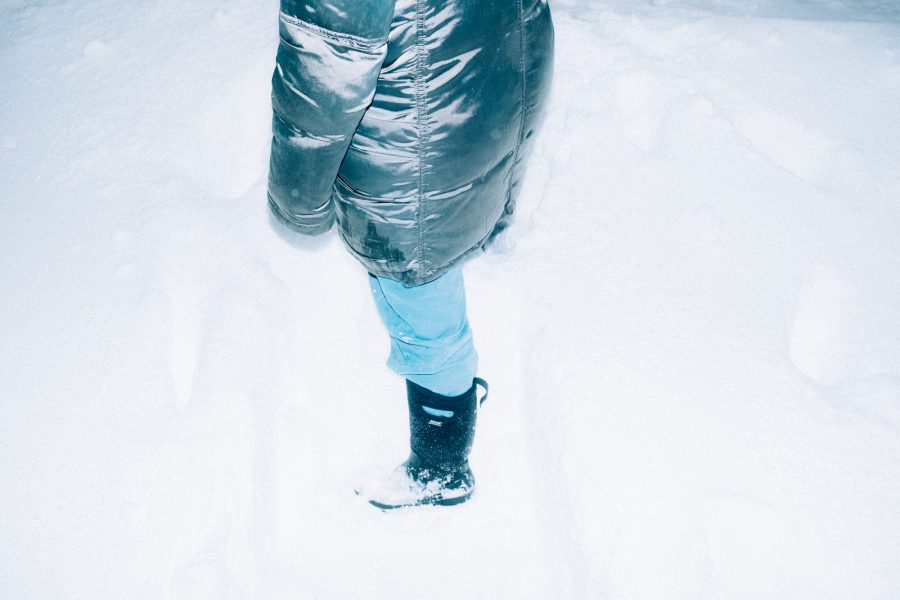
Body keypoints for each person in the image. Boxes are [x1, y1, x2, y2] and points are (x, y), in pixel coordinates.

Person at [267, 0, 554, 509]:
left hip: (410, 140)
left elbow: (328, 67)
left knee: (420, 297)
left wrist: (297, 200)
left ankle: (442, 465)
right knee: (455, 224)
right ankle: (451, 389)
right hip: (493, 77)